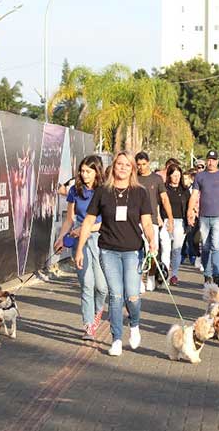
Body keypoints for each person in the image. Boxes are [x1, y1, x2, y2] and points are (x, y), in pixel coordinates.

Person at [76, 151, 156, 357]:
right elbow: (88, 221)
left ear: (133, 169)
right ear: (114, 167)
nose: (122, 168)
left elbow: (146, 221)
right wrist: (79, 249)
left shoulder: (140, 192)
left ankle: (135, 324)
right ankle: (117, 339)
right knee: (116, 295)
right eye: (119, 164)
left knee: (132, 296)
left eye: (127, 165)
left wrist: (151, 239)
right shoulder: (103, 191)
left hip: (132, 251)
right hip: (108, 250)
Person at [54, 155, 107, 340]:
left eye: (88, 171)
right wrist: (62, 237)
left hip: (100, 239)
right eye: (82, 171)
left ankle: (98, 311)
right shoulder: (75, 191)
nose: (84, 175)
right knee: (87, 283)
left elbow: (106, 221)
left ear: (97, 172)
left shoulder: (104, 191)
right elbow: (69, 219)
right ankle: (88, 325)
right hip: (79, 240)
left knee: (102, 287)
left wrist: (86, 228)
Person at [187, 150, 219, 286]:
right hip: (203, 217)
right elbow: (194, 195)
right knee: (206, 247)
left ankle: (217, 274)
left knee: (216, 246)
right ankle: (207, 275)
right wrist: (190, 212)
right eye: (209, 159)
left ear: (217, 161)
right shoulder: (200, 176)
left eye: (213, 160)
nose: (211, 162)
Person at [135, 152, 174, 291]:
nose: (141, 167)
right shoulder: (134, 178)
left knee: (152, 251)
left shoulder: (156, 179)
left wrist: (170, 218)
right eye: (138, 165)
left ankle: (151, 278)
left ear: (149, 163)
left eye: (143, 164)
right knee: (138, 251)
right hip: (135, 220)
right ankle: (139, 280)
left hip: (152, 220)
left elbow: (164, 199)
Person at [161, 163, 190, 285]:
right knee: (165, 249)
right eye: (174, 175)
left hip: (180, 222)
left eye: (178, 175)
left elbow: (190, 205)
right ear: (169, 176)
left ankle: (174, 275)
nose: (176, 177)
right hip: (166, 221)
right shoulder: (163, 188)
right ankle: (164, 275)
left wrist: (191, 216)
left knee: (176, 250)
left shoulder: (185, 190)